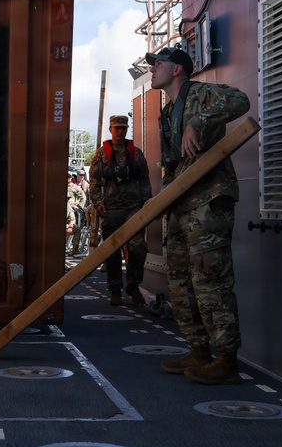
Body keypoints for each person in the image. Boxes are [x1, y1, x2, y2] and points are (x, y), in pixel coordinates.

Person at [146, 45, 251, 385]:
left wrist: (197, 120)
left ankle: (226, 359)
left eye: (158, 64)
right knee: (179, 281)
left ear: (177, 69)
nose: (152, 69)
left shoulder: (203, 94)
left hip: (208, 201)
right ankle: (199, 350)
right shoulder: (166, 112)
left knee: (211, 280)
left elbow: (240, 100)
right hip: (180, 204)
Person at [87, 115, 152, 306]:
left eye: (123, 128)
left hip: (134, 207)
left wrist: (148, 201)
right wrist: (98, 202)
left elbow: (144, 179)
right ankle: (115, 288)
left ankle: (133, 284)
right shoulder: (101, 154)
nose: (120, 131)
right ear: (110, 129)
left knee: (138, 247)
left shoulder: (136, 153)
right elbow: (94, 182)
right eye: (117, 128)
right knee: (112, 250)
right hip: (111, 208)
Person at [66, 171, 87, 256]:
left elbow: (83, 197)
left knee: (76, 228)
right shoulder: (57, 185)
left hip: (71, 210)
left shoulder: (75, 187)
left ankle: (75, 249)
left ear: (71, 178)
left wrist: (79, 206)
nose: (67, 178)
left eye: (69, 177)